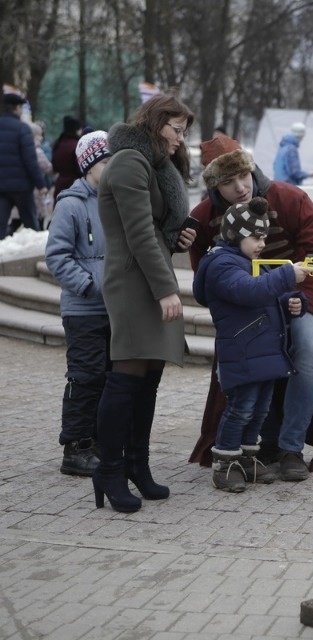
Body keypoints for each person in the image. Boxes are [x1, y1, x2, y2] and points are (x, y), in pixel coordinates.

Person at [187, 135, 313, 481]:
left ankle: (291, 447)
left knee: (307, 347)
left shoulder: (289, 197)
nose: (240, 187)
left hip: (303, 290)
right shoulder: (204, 216)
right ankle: (260, 445)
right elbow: (204, 271)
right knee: (254, 357)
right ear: (216, 185)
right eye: (228, 182)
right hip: (247, 301)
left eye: (243, 176)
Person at [94, 92, 197, 512]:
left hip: (147, 275)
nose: (180, 139)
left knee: (149, 373)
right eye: (176, 129)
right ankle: (109, 469)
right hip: (132, 280)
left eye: (184, 131)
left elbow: (152, 230)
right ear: (156, 124)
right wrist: (165, 289)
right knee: (128, 372)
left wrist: (176, 238)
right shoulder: (128, 163)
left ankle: (137, 464)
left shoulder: (150, 164)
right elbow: (136, 232)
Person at [193, 196, 312, 491]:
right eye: (255, 236)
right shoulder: (221, 264)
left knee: (259, 409)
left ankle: (246, 458)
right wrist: (287, 275)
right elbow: (247, 292)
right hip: (242, 351)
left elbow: (267, 298)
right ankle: (225, 463)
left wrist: (292, 302)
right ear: (235, 235)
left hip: (262, 352)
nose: (261, 243)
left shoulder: (248, 261)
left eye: (264, 236)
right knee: (241, 408)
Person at [44, 131, 113, 477]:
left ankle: (99, 441)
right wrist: (87, 285)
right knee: (85, 376)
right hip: (83, 309)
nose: (110, 167)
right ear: (89, 166)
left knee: (109, 376)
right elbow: (57, 256)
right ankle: (76, 447)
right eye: (104, 162)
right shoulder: (70, 204)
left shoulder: (116, 202)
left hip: (114, 308)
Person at [0, 93, 47, 236]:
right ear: (17, 108)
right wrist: (41, 184)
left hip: (1, 185)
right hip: (22, 187)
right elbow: (30, 160)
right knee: (31, 224)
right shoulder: (23, 129)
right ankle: (37, 255)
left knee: (0, 225)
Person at [52, 116, 83, 200]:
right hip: (74, 186)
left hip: (59, 185)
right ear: (76, 129)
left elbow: (54, 167)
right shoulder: (77, 145)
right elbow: (79, 169)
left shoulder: (58, 144)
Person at [30, 123, 55, 229]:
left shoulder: (22, 148)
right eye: (39, 135)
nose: (41, 138)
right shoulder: (38, 151)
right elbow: (47, 167)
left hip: (28, 187)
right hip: (38, 188)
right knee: (39, 215)